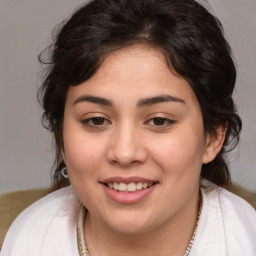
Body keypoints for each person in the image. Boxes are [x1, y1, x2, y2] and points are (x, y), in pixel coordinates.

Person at [1, 0, 256, 255]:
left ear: (213, 136)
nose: (124, 153)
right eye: (96, 120)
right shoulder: (15, 236)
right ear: (61, 137)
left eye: (159, 120)